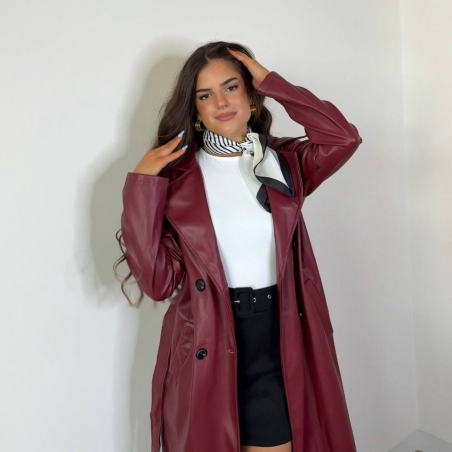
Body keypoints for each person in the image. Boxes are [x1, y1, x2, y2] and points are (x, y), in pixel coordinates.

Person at [114, 41, 363, 452]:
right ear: (195, 110)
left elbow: (343, 138)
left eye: (231, 87)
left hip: (280, 337)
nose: (221, 102)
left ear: (251, 94)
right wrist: (142, 185)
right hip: (208, 342)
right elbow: (158, 283)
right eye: (205, 95)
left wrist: (273, 82)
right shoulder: (177, 180)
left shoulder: (283, 163)